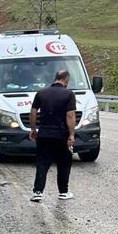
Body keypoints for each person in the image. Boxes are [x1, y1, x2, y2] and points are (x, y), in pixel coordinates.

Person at [29, 69, 76, 202]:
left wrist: (33, 129)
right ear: (66, 80)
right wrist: (71, 134)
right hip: (61, 134)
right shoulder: (68, 94)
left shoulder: (41, 93)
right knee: (64, 163)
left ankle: (38, 191)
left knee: (42, 163)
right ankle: (63, 192)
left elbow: (33, 113)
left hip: (44, 134)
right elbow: (70, 115)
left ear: (55, 78)